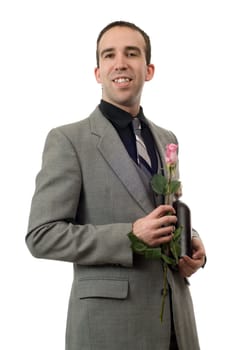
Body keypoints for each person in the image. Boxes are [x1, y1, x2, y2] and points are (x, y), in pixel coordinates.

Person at [26, 20, 206, 350]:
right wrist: (129, 237)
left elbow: (167, 209)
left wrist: (190, 241)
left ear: (148, 69)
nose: (120, 62)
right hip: (108, 327)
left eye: (131, 53)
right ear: (98, 72)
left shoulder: (167, 139)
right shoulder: (68, 140)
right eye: (109, 55)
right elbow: (42, 235)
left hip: (177, 324)